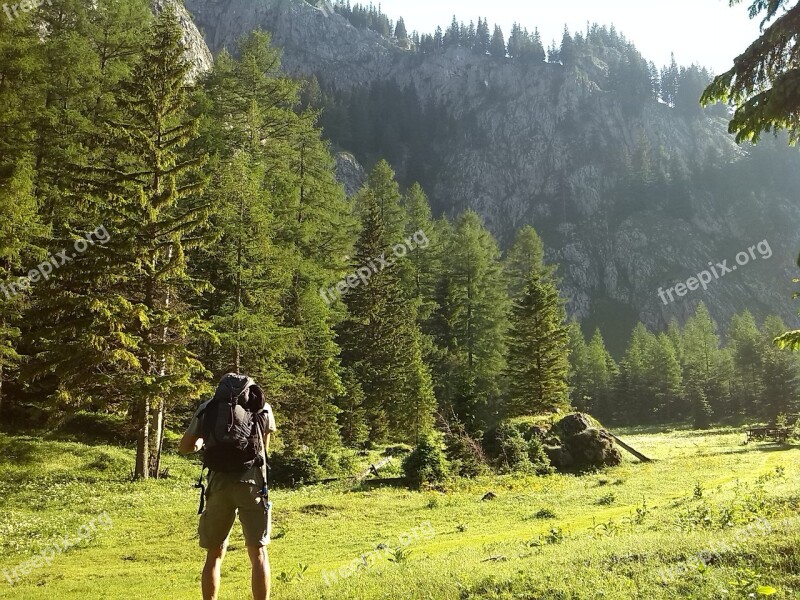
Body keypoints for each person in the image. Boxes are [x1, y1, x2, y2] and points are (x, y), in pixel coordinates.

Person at [180, 373, 276, 600]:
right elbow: (264, 449)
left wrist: (203, 443)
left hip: (218, 484)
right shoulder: (263, 408)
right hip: (252, 483)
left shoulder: (208, 407)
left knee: (214, 554)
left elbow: (185, 447)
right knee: (259, 552)